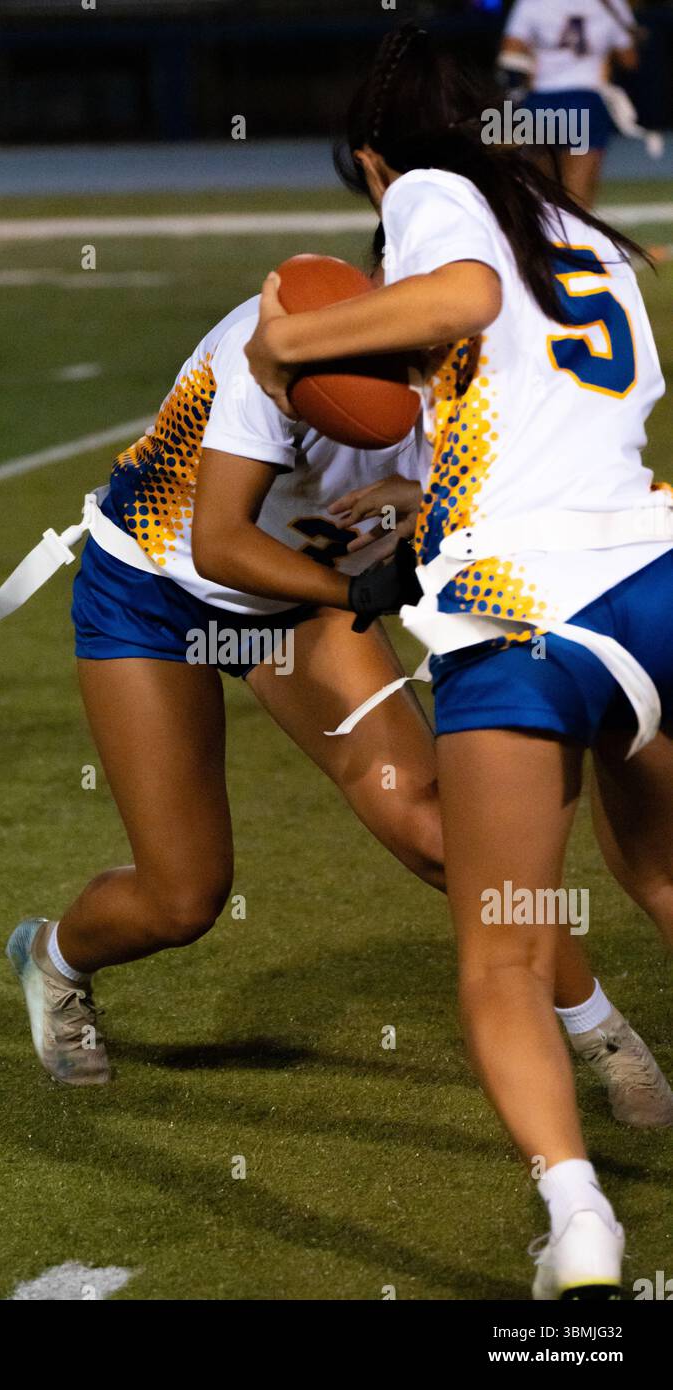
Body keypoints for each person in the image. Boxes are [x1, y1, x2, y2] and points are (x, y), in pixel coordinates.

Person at [3, 258, 672, 1136]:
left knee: (442, 833)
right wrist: (364, 592)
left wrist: (426, 513)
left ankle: (601, 1033)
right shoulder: (276, 342)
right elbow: (220, 545)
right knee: (184, 896)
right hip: (153, 592)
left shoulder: (482, 366)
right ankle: (52, 957)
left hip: (300, 604)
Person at [244, 22, 673, 1298]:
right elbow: (550, 409)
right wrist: (416, 494)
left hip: (523, 610)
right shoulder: (577, 231)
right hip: (649, 578)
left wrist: (292, 345)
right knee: (661, 876)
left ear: (373, 161)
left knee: (500, 950)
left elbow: (463, 303)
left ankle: (578, 1219)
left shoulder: (428, 196)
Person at [498, 0, 639, 207]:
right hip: (585, 101)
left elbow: (509, 54)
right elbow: (629, 60)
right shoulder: (611, 4)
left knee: (542, 200)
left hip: (540, 102)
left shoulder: (531, 3)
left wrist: (534, 63)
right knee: (578, 203)